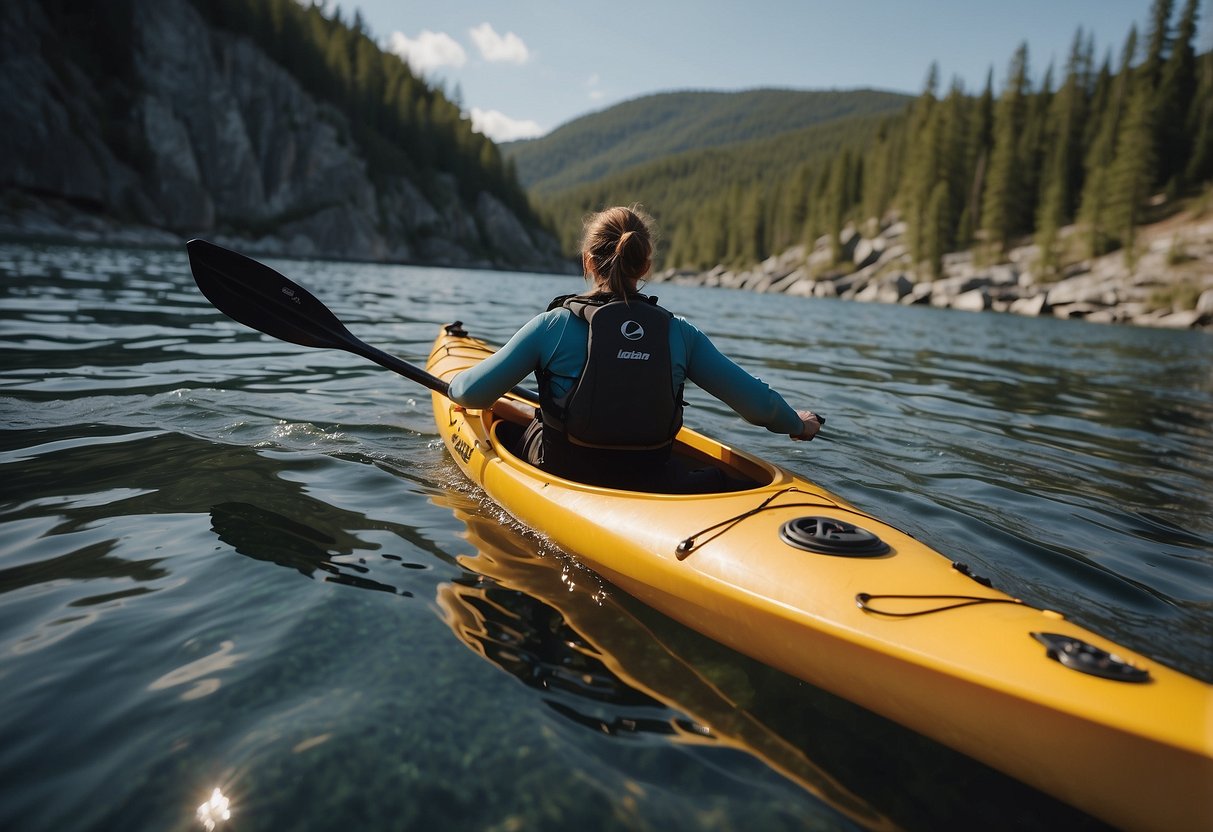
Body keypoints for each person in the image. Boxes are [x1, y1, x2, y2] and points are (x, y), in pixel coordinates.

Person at [448, 205, 822, 490]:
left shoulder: (555, 325)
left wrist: (454, 383)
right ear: (645, 266)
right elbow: (760, 406)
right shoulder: (680, 333)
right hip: (652, 478)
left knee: (511, 429)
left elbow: (471, 393)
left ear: (587, 262)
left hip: (564, 473)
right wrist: (797, 424)